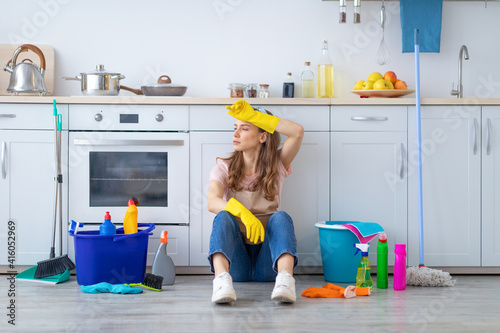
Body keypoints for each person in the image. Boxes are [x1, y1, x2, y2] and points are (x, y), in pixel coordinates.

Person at [207, 100, 304, 304]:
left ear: (262, 136)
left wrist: (256, 116)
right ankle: (221, 282)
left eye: (244, 128)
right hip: (236, 263)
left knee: (281, 217)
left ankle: (285, 281)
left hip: (268, 263)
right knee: (223, 216)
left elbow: (297, 132)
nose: (235, 134)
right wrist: (242, 212)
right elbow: (212, 201)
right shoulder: (224, 167)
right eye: (235, 128)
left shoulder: (278, 165)